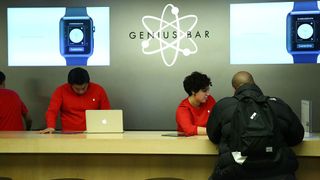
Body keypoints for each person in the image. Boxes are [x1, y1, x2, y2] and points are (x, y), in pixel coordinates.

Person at [206, 71, 304, 180]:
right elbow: (297, 137)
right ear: (254, 83)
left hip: (235, 172)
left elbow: (213, 136)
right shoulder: (278, 104)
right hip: (278, 172)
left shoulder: (223, 106)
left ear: (234, 89)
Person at [40, 67, 111, 134]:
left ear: (88, 83)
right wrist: (50, 126)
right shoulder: (61, 91)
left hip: (93, 133)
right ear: (70, 85)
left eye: (84, 88)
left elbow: (106, 111)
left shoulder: (98, 90)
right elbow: (52, 111)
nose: (81, 91)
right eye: (77, 89)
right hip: (68, 134)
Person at [176, 71, 216, 136]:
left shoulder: (210, 100)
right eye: (204, 91)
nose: (208, 94)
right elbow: (189, 129)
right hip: (188, 144)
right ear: (193, 91)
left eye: (208, 90)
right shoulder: (183, 109)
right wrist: (213, 131)